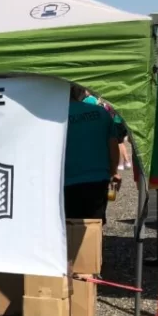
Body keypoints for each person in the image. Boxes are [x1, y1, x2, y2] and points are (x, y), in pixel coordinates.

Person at [64, 86, 120, 223]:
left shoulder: (55, 117)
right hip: (97, 178)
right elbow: (113, 145)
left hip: (65, 180)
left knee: (68, 225)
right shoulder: (101, 112)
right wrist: (114, 172)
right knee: (94, 224)